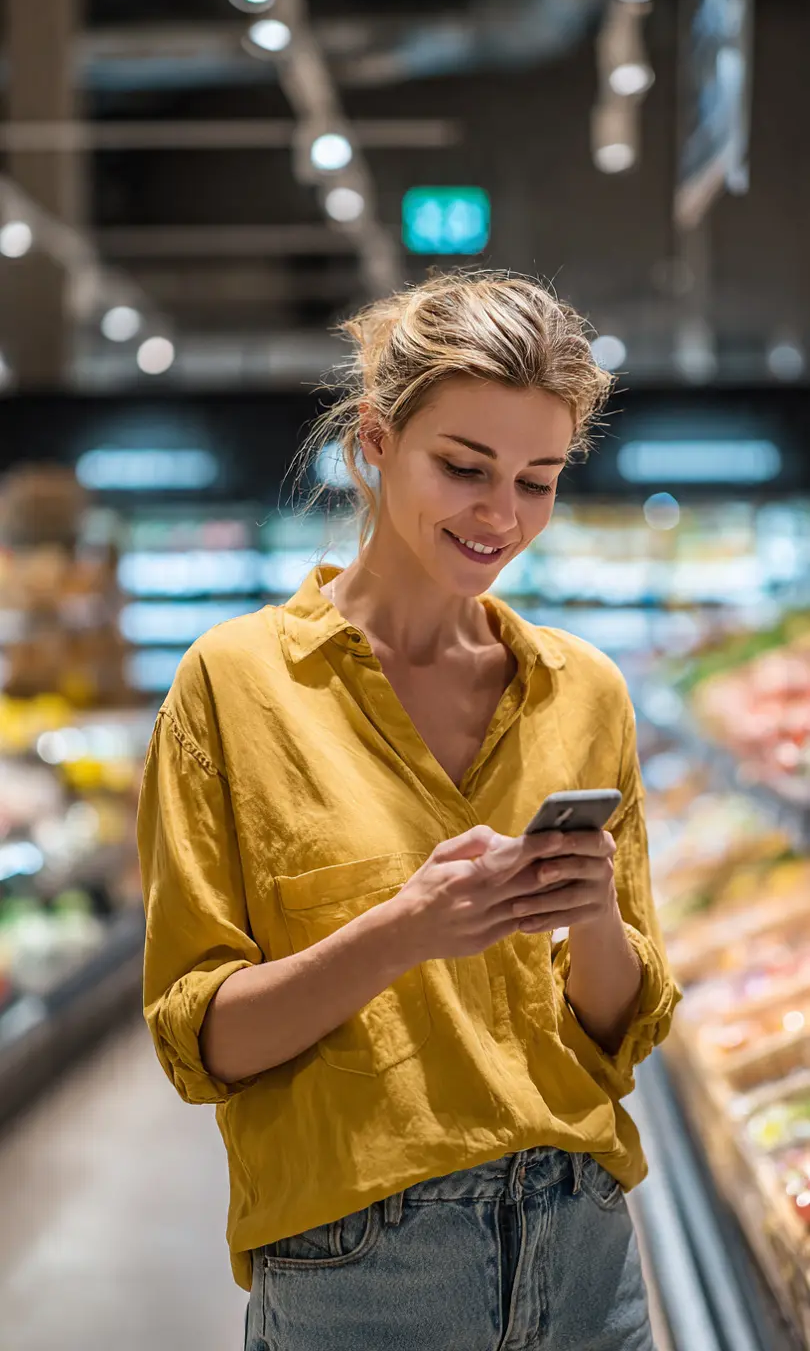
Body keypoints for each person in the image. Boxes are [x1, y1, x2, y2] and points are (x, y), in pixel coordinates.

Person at [137, 269, 681, 1351]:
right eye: (465, 467)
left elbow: (619, 1036)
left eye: (538, 478)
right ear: (375, 444)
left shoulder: (584, 691)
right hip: (362, 1278)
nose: (501, 515)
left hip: (586, 1259)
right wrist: (406, 930)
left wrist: (592, 917)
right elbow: (207, 1042)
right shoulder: (236, 686)